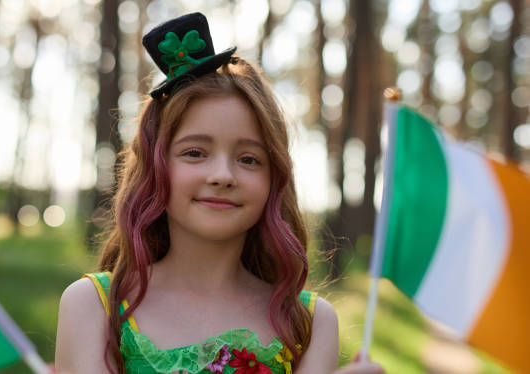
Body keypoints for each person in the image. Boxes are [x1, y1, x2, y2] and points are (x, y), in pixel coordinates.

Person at [54, 12, 384, 374]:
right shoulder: (95, 307)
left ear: (275, 178)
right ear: (154, 167)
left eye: (249, 159)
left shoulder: (308, 323)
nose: (223, 175)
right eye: (195, 152)